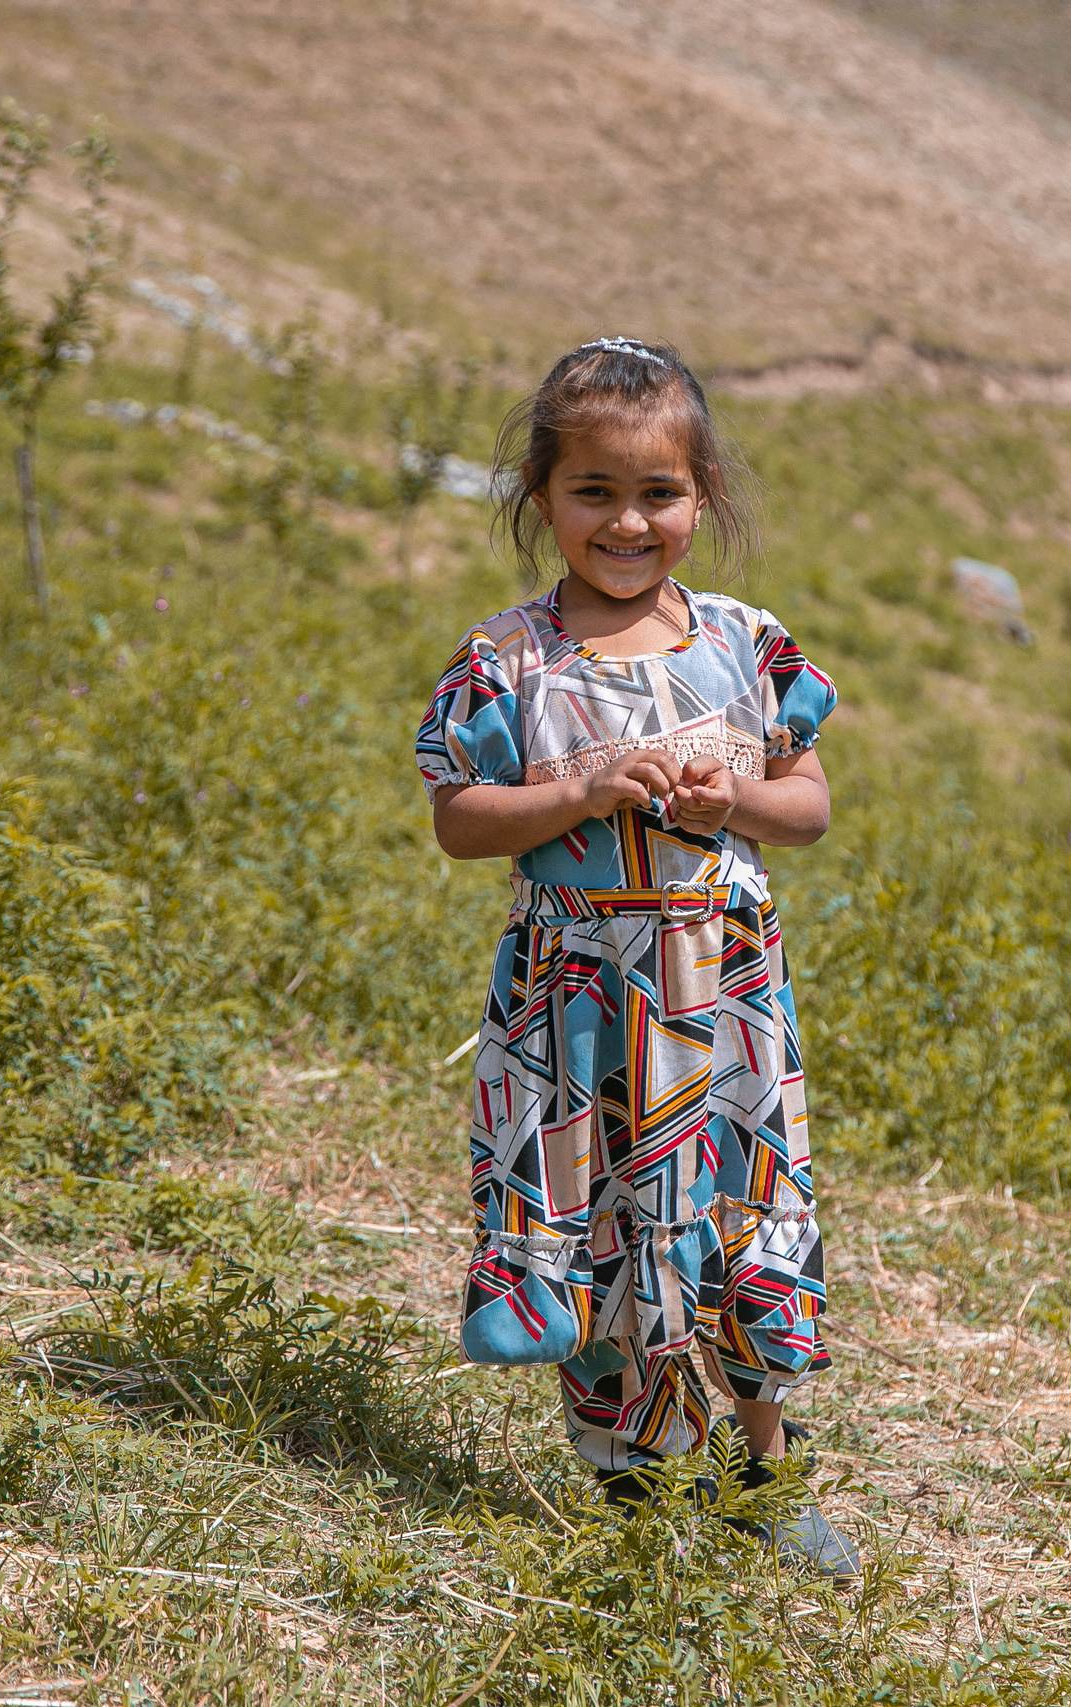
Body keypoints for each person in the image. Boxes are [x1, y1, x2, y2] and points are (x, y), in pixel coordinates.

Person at [416, 335, 859, 1581]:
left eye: (656, 493)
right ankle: (630, 1485)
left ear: (700, 496)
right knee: (606, 1226)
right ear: (540, 499)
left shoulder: (744, 644)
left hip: (718, 997)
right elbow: (459, 821)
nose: (627, 521)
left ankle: (762, 1473)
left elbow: (809, 804)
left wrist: (736, 804)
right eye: (592, 493)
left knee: (735, 1216)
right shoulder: (507, 661)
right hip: (577, 1009)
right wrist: (588, 789)